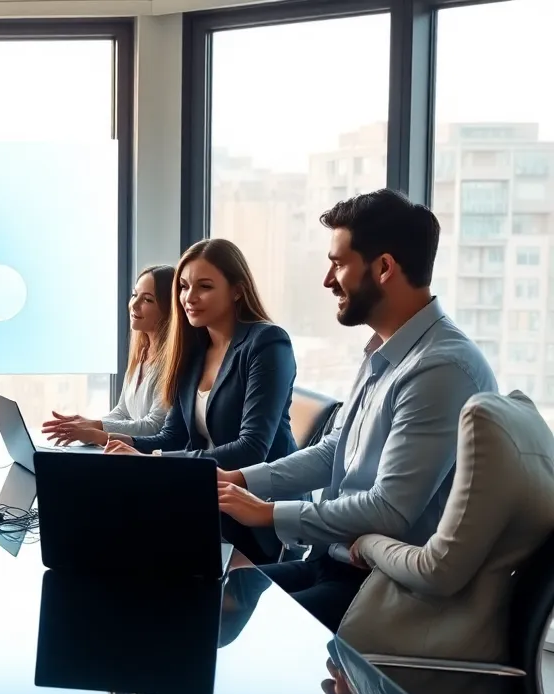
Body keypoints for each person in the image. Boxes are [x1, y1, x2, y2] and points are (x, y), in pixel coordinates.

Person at [214, 189, 497, 631]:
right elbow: (334, 452)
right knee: (207, 601)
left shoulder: (441, 368)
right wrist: (240, 480)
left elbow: (389, 510)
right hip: (335, 563)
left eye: (339, 264)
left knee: (237, 630)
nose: (328, 280)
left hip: (388, 589)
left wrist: (267, 512)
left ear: (384, 268)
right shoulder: (386, 349)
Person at [104, 239, 297, 564]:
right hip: (205, 499)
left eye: (204, 287)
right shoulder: (194, 349)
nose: (189, 297)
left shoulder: (266, 343)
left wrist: (154, 462)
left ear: (237, 291)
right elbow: (172, 436)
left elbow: (251, 449)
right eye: (183, 286)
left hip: (256, 513)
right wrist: (121, 446)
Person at [339, 391, 554, 664]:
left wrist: (368, 543)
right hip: (457, 629)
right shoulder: (528, 430)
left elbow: (435, 571)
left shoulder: (482, 419)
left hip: (433, 648)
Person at [42, 265, 174, 445]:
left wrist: (97, 427)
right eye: (134, 295)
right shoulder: (142, 352)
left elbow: (154, 426)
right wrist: (87, 428)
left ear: (169, 309)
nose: (134, 304)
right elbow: (123, 411)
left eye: (147, 300)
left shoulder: (172, 361)